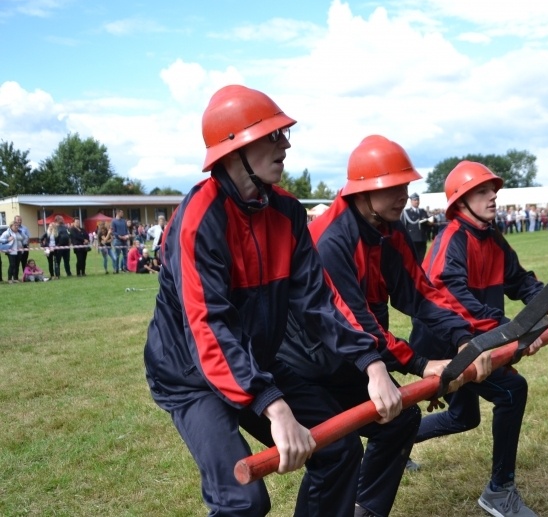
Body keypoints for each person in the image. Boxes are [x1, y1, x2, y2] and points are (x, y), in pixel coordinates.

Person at [143, 84, 402, 517]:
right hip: (190, 375)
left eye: (282, 134)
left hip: (254, 359)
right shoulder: (198, 220)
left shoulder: (286, 211)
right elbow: (209, 328)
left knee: (337, 452)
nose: (285, 144)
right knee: (243, 502)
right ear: (234, 150)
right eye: (271, 136)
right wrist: (274, 405)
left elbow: (319, 301)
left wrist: (371, 364)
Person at [279, 135, 489, 517]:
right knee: (337, 453)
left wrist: (463, 339)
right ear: (363, 191)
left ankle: (365, 511)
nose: (403, 195)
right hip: (305, 365)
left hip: (352, 358)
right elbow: (355, 321)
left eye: (405, 186)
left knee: (399, 418)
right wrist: (420, 363)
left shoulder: (387, 230)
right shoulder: (331, 240)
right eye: (392, 188)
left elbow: (421, 294)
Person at [410, 161, 548, 517]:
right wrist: (509, 331)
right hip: (447, 345)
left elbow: (522, 282)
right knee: (512, 391)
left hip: (479, 338)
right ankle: (499, 491)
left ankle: (392, 442)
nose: (493, 197)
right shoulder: (452, 239)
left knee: (463, 418)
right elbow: (450, 296)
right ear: (460, 201)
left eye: (494, 191)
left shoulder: (494, 238)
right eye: (483, 192)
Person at [402, 192, 431, 264]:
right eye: (415, 200)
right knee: (413, 258)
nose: (417, 201)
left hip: (422, 238)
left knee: (421, 258)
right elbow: (404, 226)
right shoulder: (407, 212)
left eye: (418, 200)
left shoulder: (423, 211)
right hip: (412, 238)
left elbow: (427, 223)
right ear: (411, 201)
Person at [13, 215, 30, 279]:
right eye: (18, 220)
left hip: (24, 246)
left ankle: (25, 277)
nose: (19, 221)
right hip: (16, 247)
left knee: (24, 262)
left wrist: (27, 246)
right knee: (16, 263)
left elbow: (28, 237)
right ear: (15, 220)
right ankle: (15, 278)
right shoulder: (13, 228)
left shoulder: (25, 228)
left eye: (20, 220)